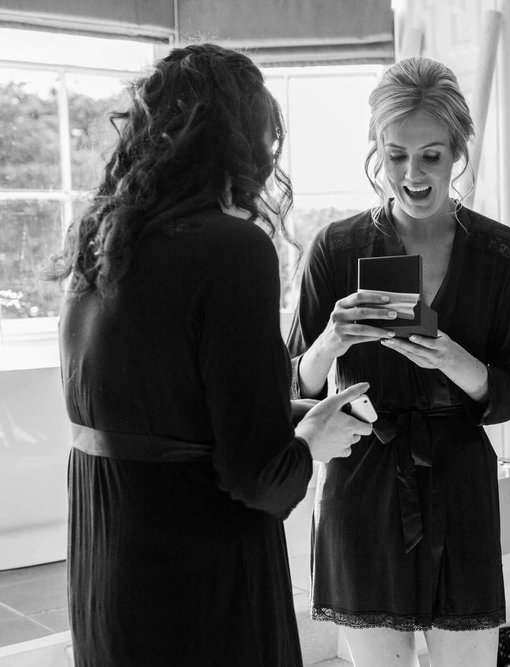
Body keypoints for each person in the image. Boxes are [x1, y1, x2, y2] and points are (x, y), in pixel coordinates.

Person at [49, 43, 373, 667]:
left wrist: (288, 413)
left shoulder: (99, 243)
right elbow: (256, 477)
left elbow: (166, 406)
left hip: (108, 563)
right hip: (196, 575)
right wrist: (311, 443)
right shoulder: (233, 250)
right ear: (245, 140)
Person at [286, 56, 510, 667]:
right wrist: (332, 341)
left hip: (461, 479)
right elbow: (292, 385)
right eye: (395, 154)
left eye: (431, 155)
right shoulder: (338, 248)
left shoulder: (499, 252)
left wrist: (455, 360)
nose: (412, 173)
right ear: (376, 149)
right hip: (363, 478)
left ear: (458, 151)